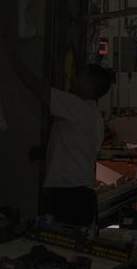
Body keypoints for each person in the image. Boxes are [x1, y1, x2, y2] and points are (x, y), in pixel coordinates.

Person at [6, 61, 112, 227]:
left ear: (87, 82)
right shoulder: (94, 115)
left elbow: (38, 88)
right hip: (79, 193)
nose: (72, 79)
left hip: (68, 194)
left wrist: (15, 61)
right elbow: (75, 147)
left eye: (78, 76)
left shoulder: (78, 107)